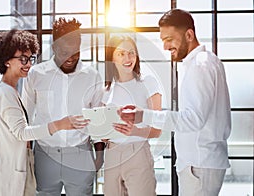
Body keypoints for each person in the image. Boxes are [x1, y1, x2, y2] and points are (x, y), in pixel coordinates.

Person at [119, 9, 231, 196]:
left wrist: (144, 115)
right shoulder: (204, 62)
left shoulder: (199, 66)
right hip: (200, 163)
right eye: (163, 40)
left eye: (169, 39)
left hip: (199, 164)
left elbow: (192, 119)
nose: (165, 47)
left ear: (189, 35)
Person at [0, 29, 87, 196]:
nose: (29, 64)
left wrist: (7, 151)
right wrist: (60, 124)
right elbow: (22, 133)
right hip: (10, 177)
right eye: (23, 59)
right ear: (6, 60)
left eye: (30, 58)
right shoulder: (6, 93)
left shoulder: (7, 90)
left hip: (7, 169)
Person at [21, 18, 105, 195]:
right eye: (65, 52)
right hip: (45, 156)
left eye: (76, 51)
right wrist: (27, 155)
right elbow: (25, 117)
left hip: (81, 154)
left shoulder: (92, 76)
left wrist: (99, 157)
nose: (71, 57)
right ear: (54, 48)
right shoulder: (36, 74)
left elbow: (99, 119)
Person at [102, 35, 162, 196]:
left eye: (131, 53)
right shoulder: (107, 90)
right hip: (112, 154)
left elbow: (157, 130)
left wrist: (134, 131)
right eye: (121, 54)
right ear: (112, 58)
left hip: (138, 153)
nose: (127, 58)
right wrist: (101, 133)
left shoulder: (147, 83)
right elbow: (102, 131)